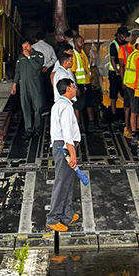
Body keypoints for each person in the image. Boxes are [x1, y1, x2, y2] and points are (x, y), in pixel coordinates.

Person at [46, 78, 81, 232]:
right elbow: (67, 134)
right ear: (67, 89)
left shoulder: (59, 105)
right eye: (74, 87)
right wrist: (72, 154)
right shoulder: (66, 108)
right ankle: (53, 218)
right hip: (64, 147)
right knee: (61, 182)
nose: (75, 89)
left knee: (68, 181)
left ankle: (67, 214)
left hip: (63, 146)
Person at [11, 39, 45, 139]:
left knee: (38, 107)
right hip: (24, 86)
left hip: (35, 85)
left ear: (31, 46)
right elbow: (17, 72)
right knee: (25, 107)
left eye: (26, 47)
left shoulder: (39, 55)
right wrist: (14, 85)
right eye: (23, 48)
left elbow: (37, 67)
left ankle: (38, 128)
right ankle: (28, 129)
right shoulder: (20, 58)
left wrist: (29, 57)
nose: (25, 49)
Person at [71, 35, 98, 132]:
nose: (82, 44)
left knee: (89, 104)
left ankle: (92, 124)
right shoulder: (74, 55)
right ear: (75, 43)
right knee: (78, 106)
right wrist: (76, 87)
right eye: (80, 42)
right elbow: (73, 72)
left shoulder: (82, 53)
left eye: (82, 41)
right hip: (80, 84)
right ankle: (77, 127)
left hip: (87, 83)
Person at [108, 27, 131, 130]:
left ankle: (125, 118)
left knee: (125, 95)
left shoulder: (126, 45)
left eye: (125, 35)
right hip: (114, 73)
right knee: (113, 96)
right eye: (123, 35)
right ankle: (114, 118)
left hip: (124, 72)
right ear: (118, 35)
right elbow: (112, 59)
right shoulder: (114, 45)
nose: (124, 37)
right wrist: (117, 71)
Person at [122, 35, 139, 139]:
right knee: (135, 110)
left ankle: (136, 129)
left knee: (135, 109)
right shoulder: (138, 56)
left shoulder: (132, 54)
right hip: (133, 86)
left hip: (129, 84)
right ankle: (135, 132)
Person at [33, 32, 57, 113]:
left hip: (36, 70)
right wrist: (47, 66)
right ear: (44, 39)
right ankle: (47, 106)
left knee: (38, 88)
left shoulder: (33, 47)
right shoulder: (49, 47)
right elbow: (54, 59)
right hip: (47, 70)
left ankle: (39, 107)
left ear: (35, 40)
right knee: (47, 88)